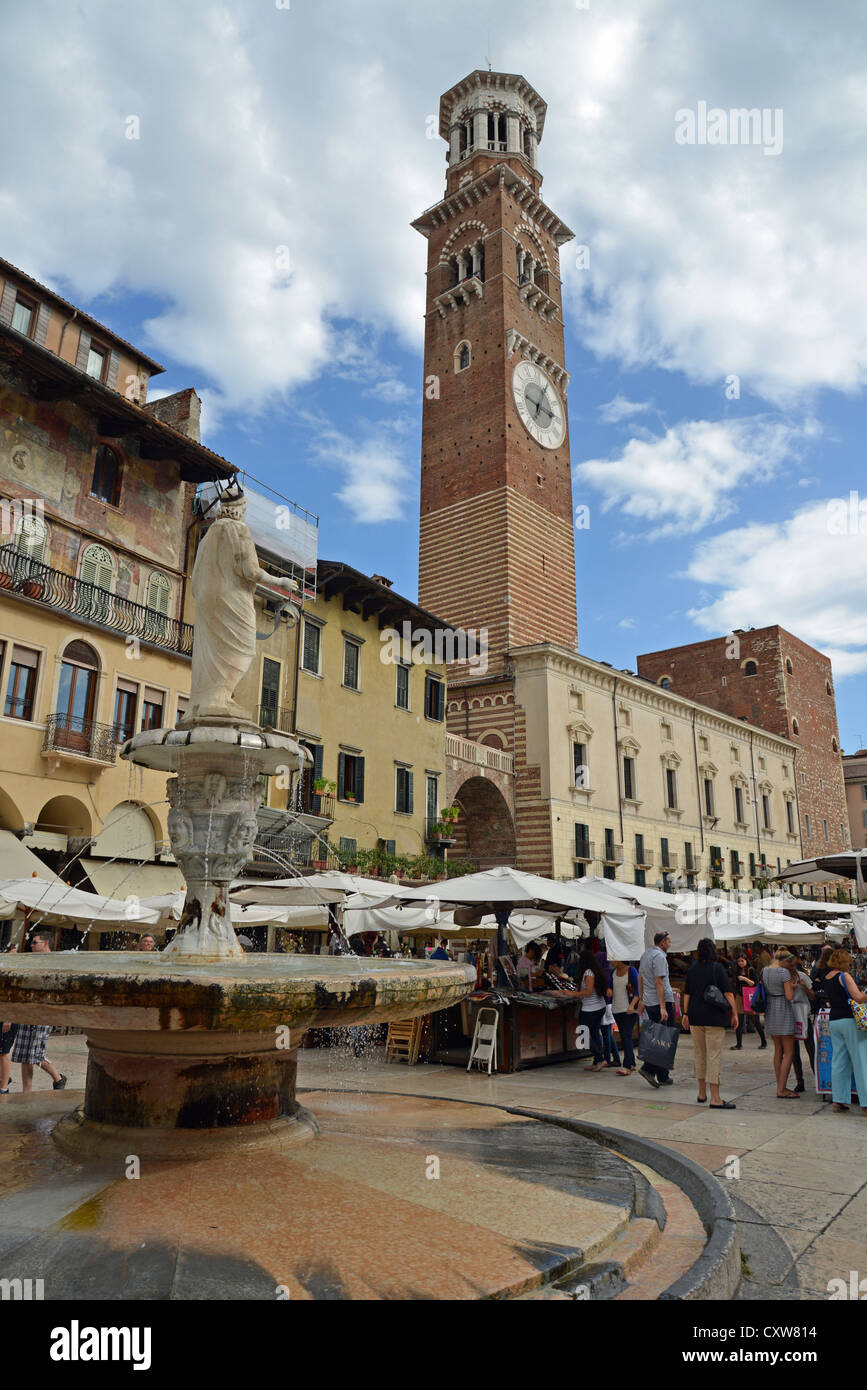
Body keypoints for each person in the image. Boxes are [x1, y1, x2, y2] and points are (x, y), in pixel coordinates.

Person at [682, 937, 738, 1108]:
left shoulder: (692, 970)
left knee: (699, 1054)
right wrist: (734, 1013)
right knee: (713, 1055)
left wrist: (685, 1014)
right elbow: (728, 994)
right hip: (714, 1017)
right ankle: (715, 1098)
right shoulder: (717, 968)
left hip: (695, 1016)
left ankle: (701, 1093)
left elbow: (687, 994)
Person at [11, 930, 67, 1094]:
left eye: (35, 942)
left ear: (46, 943)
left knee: (33, 1053)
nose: (31, 945)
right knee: (25, 1053)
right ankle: (50, 1082)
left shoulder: (55, 963)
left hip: (43, 1013)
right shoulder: (33, 961)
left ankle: (54, 1080)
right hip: (27, 1011)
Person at [820, 950, 867, 1114]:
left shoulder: (827, 977)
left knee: (839, 1060)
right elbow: (858, 997)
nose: (850, 964)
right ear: (843, 962)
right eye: (848, 961)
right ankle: (865, 1103)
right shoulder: (844, 976)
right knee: (860, 1060)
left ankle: (838, 1101)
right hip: (850, 1020)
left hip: (834, 1020)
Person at [637, 930, 676, 1089]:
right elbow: (658, 981)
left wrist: (642, 998)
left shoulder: (646, 954)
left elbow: (640, 978)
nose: (670, 944)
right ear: (662, 942)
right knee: (664, 1040)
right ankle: (648, 1069)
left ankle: (663, 1075)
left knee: (660, 1036)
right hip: (661, 1002)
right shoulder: (659, 957)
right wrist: (662, 1007)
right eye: (668, 941)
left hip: (650, 1000)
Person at [762, 948, 799, 1100]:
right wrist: (794, 985)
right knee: (789, 1052)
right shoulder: (783, 973)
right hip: (783, 1009)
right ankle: (781, 1089)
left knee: (778, 1051)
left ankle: (780, 1085)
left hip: (771, 1009)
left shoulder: (765, 970)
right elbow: (789, 996)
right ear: (785, 960)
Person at [575, 948, 612, 1072]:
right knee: (595, 1033)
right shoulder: (595, 971)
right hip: (598, 1007)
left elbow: (589, 991)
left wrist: (573, 994)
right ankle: (597, 1061)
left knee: (583, 1034)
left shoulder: (588, 973)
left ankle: (600, 1059)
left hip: (590, 1009)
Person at [788, 953, 815, 1092]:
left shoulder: (802, 976)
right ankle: (800, 1081)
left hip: (804, 1014)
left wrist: (804, 987)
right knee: (793, 1051)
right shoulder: (784, 978)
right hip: (790, 1015)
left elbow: (812, 995)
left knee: (811, 1048)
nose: (791, 968)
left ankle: (817, 1078)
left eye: (793, 965)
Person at [609, 958, 640, 1074]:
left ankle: (626, 1066)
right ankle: (631, 1063)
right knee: (624, 1035)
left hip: (629, 1009)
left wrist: (632, 1005)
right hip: (617, 1009)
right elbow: (610, 988)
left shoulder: (631, 971)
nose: (610, 960)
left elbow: (638, 991)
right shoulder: (612, 972)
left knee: (626, 1035)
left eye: (613, 958)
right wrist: (608, 991)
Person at [731, 955, 767, 1050]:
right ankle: (739, 1044)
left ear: (746, 961)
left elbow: (754, 983)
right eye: (738, 961)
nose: (740, 963)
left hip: (750, 997)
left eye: (742, 961)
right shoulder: (737, 971)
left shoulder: (751, 970)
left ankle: (764, 1041)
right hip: (740, 997)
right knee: (739, 1020)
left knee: (755, 1021)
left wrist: (744, 979)